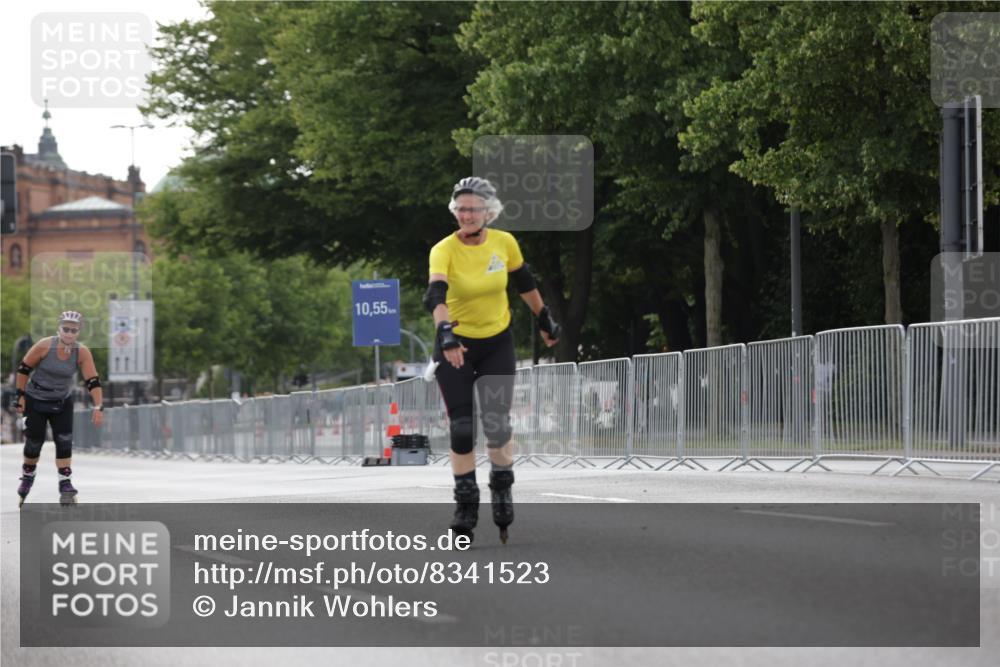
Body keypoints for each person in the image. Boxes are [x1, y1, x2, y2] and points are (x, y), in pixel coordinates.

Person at [424, 177, 561, 543]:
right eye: (461, 209)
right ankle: (466, 503)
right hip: (456, 344)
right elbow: (436, 294)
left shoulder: (504, 243)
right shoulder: (444, 250)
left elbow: (524, 282)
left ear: (488, 211)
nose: (466, 215)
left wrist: (543, 317)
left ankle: (502, 487)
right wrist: (446, 334)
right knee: (463, 427)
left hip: (497, 342)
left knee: (498, 423)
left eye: (474, 208)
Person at [14, 311, 105, 506]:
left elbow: (93, 381)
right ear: (59, 328)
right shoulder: (45, 345)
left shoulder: (81, 352)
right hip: (36, 399)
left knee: (64, 441)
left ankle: (65, 483)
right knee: (34, 443)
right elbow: (23, 369)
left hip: (61, 400)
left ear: (78, 332)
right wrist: (20, 396)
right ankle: (28, 475)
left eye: (73, 330)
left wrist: (98, 406)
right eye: (66, 329)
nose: (69, 334)